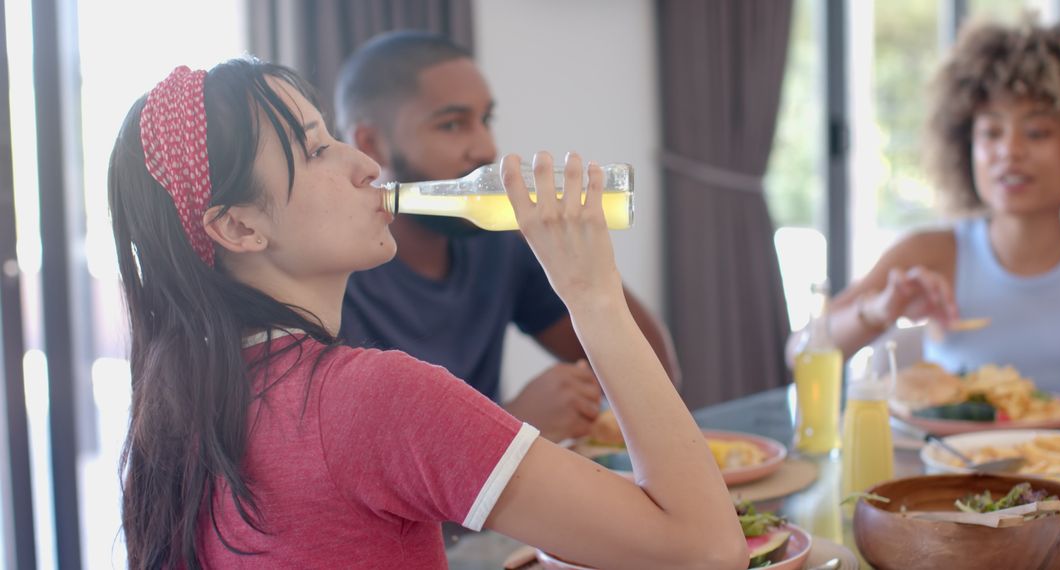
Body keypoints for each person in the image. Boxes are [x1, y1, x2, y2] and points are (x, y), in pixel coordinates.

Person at [109, 59, 746, 568]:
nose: (365, 166)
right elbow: (708, 551)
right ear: (239, 227)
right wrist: (593, 297)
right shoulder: (374, 398)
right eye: (316, 150)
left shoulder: (185, 406)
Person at [333, 31, 681, 443]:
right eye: (451, 124)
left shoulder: (496, 244)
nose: (485, 148)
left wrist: (585, 270)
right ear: (371, 144)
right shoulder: (332, 276)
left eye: (486, 120)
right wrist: (513, 425)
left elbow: (658, 377)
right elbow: (353, 463)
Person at [789, 20, 1060, 396]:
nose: (1010, 151)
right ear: (964, 146)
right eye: (991, 133)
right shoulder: (931, 254)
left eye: (1037, 132)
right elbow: (798, 352)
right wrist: (877, 312)